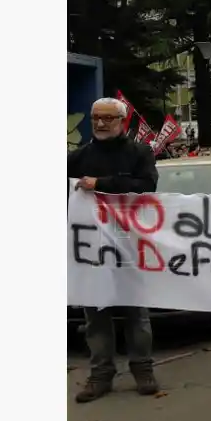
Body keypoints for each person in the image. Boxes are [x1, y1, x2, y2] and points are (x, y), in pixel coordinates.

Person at [67, 97, 160, 403]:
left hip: (129, 245)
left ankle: (143, 369)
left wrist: (101, 183)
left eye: (108, 117)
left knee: (136, 312)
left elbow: (146, 187)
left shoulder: (139, 153)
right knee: (95, 314)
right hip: (91, 250)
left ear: (122, 121)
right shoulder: (77, 158)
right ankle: (100, 374)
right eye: (96, 117)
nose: (101, 123)